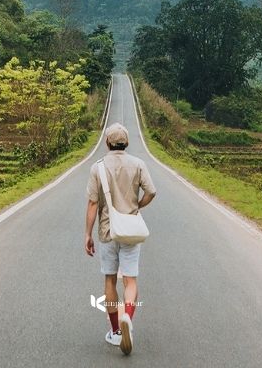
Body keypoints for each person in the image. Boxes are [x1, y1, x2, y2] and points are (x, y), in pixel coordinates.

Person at [84, 122, 157, 356]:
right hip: (131, 230)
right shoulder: (138, 164)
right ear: (126, 142)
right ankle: (128, 317)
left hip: (108, 231)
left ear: (107, 143)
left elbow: (93, 203)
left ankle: (115, 331)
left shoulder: (98, 167)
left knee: (109, 280)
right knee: (130, 280)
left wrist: (88, 234)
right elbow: (151, 191)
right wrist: (137, 205)